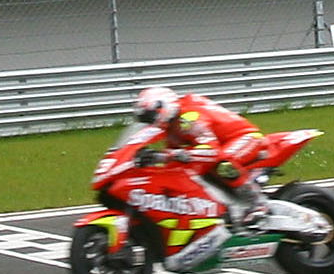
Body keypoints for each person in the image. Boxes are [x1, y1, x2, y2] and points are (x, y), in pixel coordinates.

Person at [109, 86, 275, 235]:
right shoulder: (171, 128)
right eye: (145, 119)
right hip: (221, 145)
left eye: (150, 116)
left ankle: (258, 204)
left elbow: (211, 151)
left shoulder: (189, 118)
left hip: (245, 138)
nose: (149, 122)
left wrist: (172, 155)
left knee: (222, 163)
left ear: (163, 107)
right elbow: (174, 157)